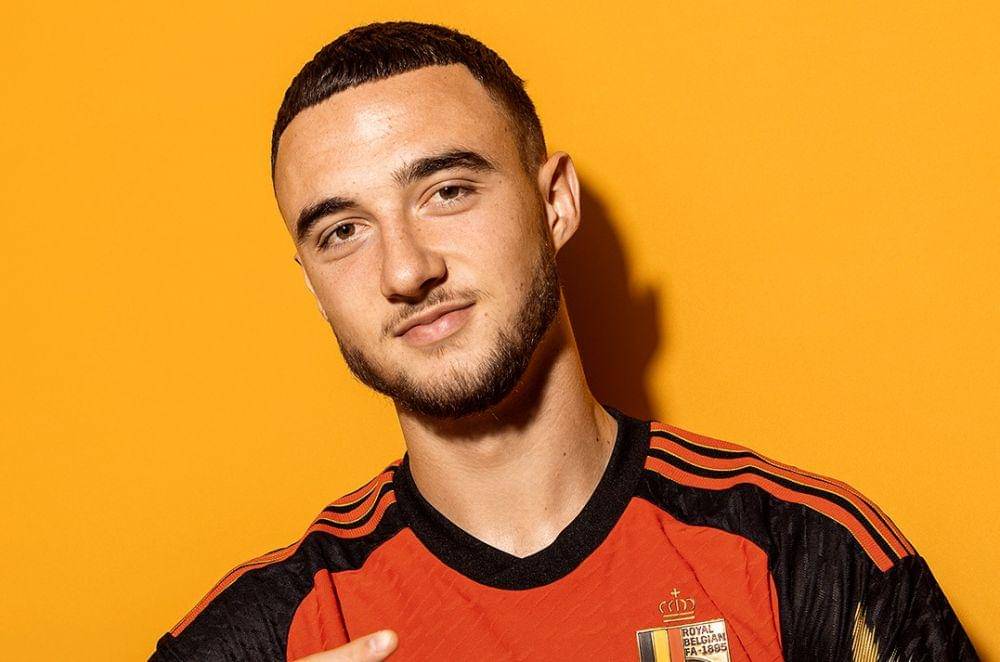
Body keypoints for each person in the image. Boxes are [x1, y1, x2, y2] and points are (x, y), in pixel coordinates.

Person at [149, 21, 978, 662]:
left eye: (447, 191)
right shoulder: (270, 630)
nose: (405, 270)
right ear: (312, 286)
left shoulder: (803, 554)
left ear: (555, 205)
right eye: (342, 232)